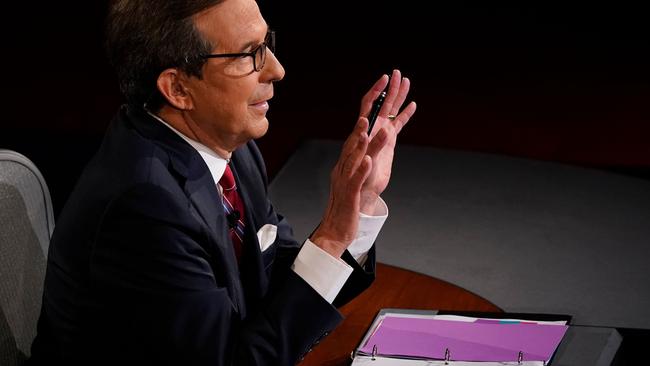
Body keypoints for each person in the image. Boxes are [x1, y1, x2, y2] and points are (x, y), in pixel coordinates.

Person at [29, 0, 416, 364]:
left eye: (267, 43)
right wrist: (331, 236)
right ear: (178, 89)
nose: (277, 69)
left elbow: (280, 285)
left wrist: (358, 205)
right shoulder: (144, 203)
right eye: (250, 54)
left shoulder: (228, 150)